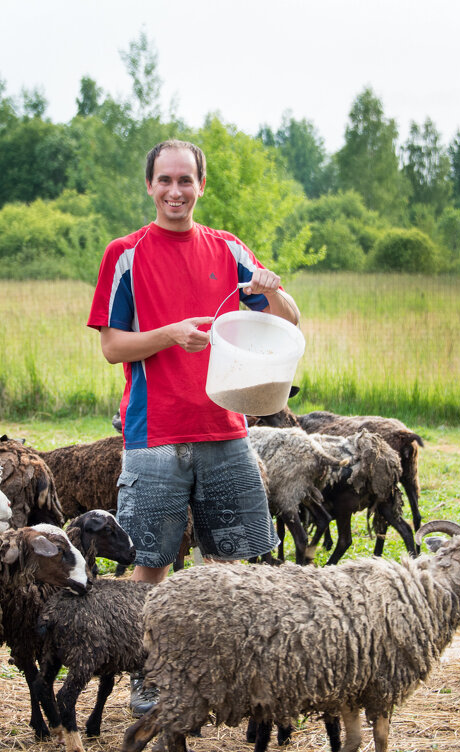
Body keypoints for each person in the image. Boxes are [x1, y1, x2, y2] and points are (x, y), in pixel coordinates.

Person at [87, 139, 300, 715]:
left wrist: (269, 289)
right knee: (150, 567)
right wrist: (172, 334)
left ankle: (219, 681)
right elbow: (112, 347)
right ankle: (147, 678)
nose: (175, 191)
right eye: (165, 181)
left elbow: (289, 322)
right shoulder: (125, 254)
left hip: (226, 432)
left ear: (201, 185)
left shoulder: (229, 249)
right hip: (154, 438)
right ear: (150, 186)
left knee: (229, 569)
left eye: (186, 180)